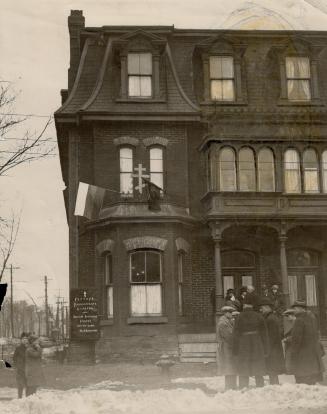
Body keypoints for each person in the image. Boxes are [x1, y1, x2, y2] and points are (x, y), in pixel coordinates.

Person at [232, 299, 268, 389]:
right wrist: (266, 349)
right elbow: (264, 334)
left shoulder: (239, 317)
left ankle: (243, 388)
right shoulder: (259, 316)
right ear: (252, 306)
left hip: (244, 345)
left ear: (244, 306)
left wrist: (235, 350)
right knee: (258, 366)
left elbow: (235, 334)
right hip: (257, 344)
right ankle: (260, 387)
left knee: (244, 366)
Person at [289, 300, 324, 385]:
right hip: (313, 355)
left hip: (302, 356)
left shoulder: (299, 320)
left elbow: (296, 339)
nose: (294, 311)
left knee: (302, 381)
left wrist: (293, 353)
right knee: (312, 380)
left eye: (295, 309)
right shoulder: (312, 318)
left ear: (301, 309)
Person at [258, 297, 285, 385]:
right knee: (272, 371)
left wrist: (266, 350)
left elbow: (271, 337)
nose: (260, 310)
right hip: (273, 350)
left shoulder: (270, 319)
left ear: (266, 307)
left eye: (261, 308)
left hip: (272, 350)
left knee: (272, 371)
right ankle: (274, 386)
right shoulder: (271, 317)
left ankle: (275, 387)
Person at [217, 305, 238, 391]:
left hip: (229, 346)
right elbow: (228, 336)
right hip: (227, 347)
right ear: (225, 313)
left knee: (232, 366)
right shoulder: (223, 323)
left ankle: (232, 385)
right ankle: (229, 386)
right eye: (230, 313)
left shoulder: (229, 321)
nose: (231, 314)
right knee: (228, 367)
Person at [13, 332, 29, 398]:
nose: (25, 340)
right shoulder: (18, 348)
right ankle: (20, 398)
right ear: (21, 340)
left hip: (27, 369)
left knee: (28, 385)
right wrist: (17, 365)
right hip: (20, 370)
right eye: (23, 339)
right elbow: (14, 358)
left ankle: (27, 399)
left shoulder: (29, 348)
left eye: (26, 339)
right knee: (20, 385)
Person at [282, 309, 296, 375]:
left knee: (290, 357)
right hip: (290, 344)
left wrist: (287, 339)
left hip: (293, 344)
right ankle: (289, 371)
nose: (287, 318)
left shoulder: (295, 322)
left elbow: (295, 335)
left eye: (288, 316)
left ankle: (290, 371)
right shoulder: (292, 322)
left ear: (292, 315)